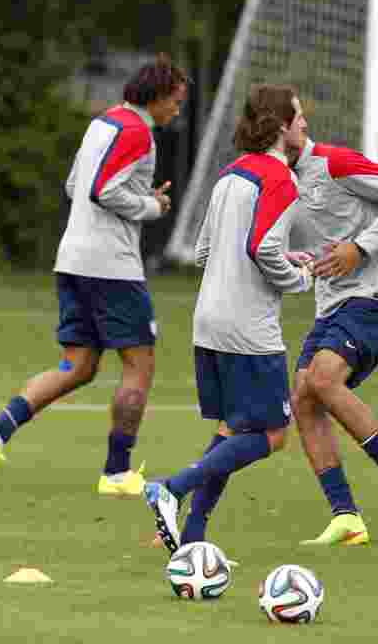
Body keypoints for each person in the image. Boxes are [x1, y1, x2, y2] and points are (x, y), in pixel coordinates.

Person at [0, 56, 188, 496]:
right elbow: (102, 190)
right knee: (139, 366)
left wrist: (134, 195)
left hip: (72, 259)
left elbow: (75, 185)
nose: (177, 111)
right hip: (112, 268)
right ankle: (116, 472)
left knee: (79, 365)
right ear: (159, 96)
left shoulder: (102, 125)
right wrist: (150, 206)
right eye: (177, 102)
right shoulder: (137, 132)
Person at [144, 84, 312, 553]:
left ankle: (192, 537)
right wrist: (298, 277)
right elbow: (262, 249)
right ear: (280, 126)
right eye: (298, 117)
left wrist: (272, 257)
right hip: (247, 327)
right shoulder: (281, 179)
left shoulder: (230, 175)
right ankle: (172, 487)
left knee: (231, 430)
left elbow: (204, 252)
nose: (304, 125)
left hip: (209, 320)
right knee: (274, 435)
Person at [287, 131, 378, 546]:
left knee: (324, 379)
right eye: (288, 120)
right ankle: (346, 516)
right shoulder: (276, 178)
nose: (297, 127)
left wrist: (361, 248)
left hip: (375, 296)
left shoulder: (335, 162)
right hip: (331, 304)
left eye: (295, 118)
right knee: (303, 396)